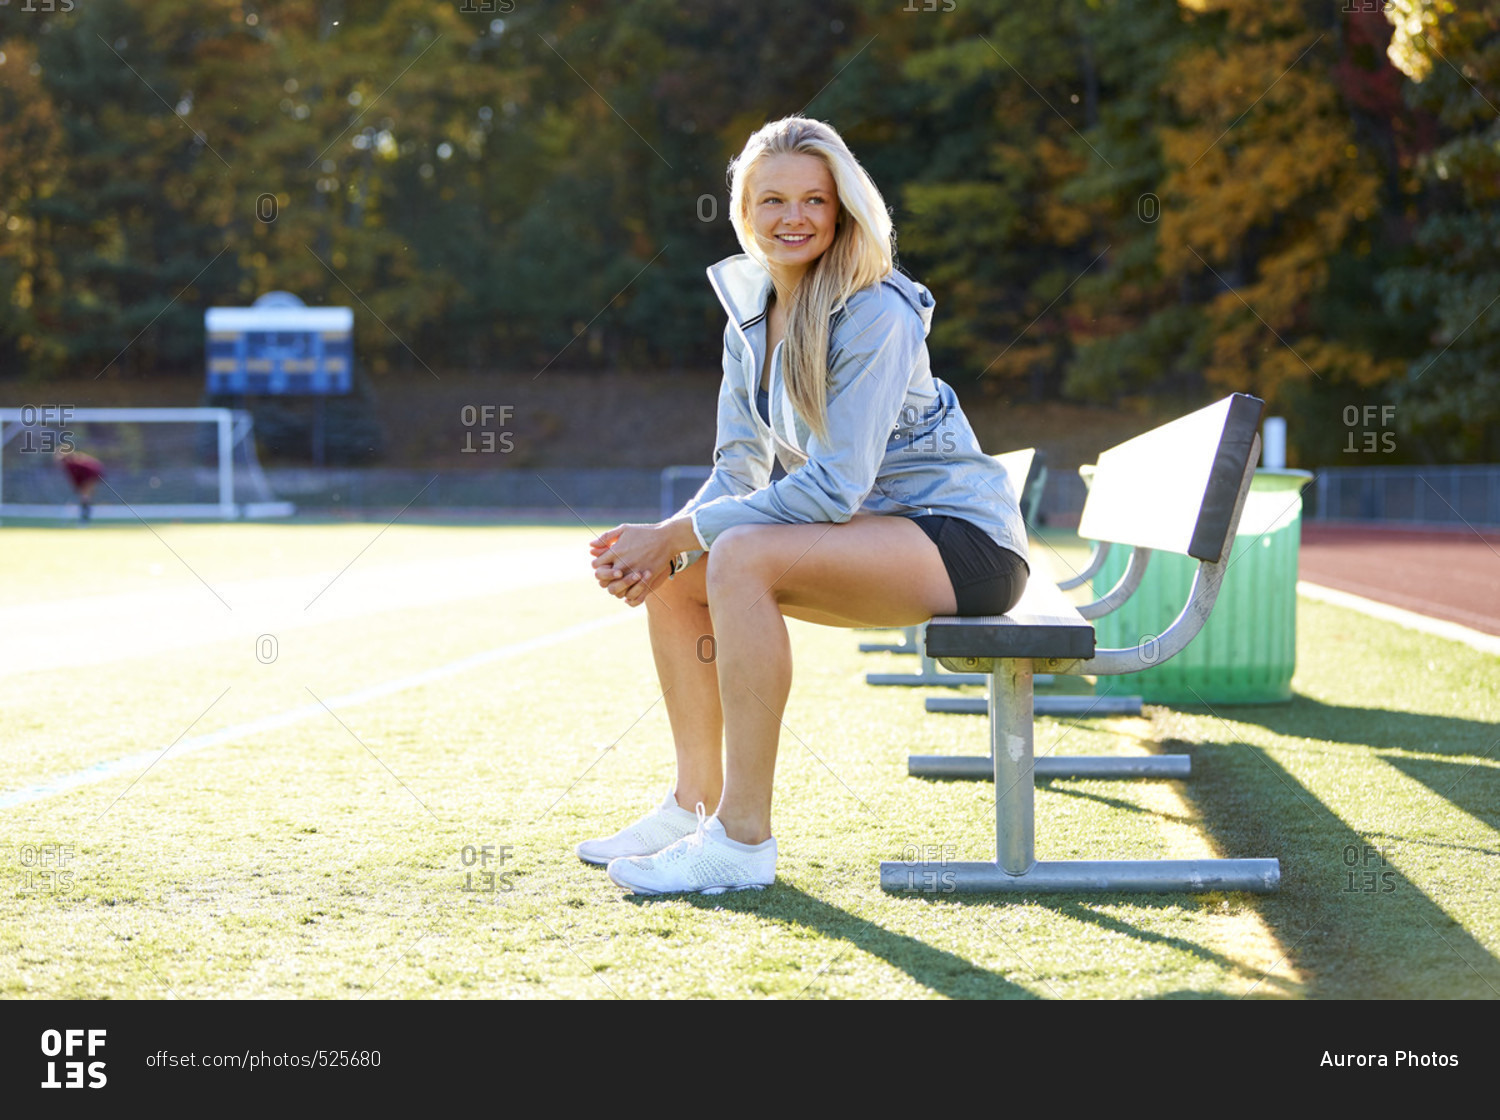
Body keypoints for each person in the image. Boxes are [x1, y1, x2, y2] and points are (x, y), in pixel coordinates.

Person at [582, 115, 1030, 895]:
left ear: (843, 209)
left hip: (962, 542)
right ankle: (693, 803)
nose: (794, 218)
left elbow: (831, 488)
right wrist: (665, 542)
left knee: (737, 552)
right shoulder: (750, 313)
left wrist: (679, 531)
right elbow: (735, 472)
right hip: (874, 533)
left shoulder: (877, 311)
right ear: (744, 213)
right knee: (687, 569)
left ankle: (743, 841)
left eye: (814, 201)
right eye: (773, 201)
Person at [56, 449, 105, 524]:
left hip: (91, 476)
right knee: (85, 497)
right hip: (93, 475)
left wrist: (77, 487)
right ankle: (84, 517)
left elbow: (76, 477)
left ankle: (84, 519)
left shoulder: (71, 465)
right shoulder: (76, 461)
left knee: (85, 497)